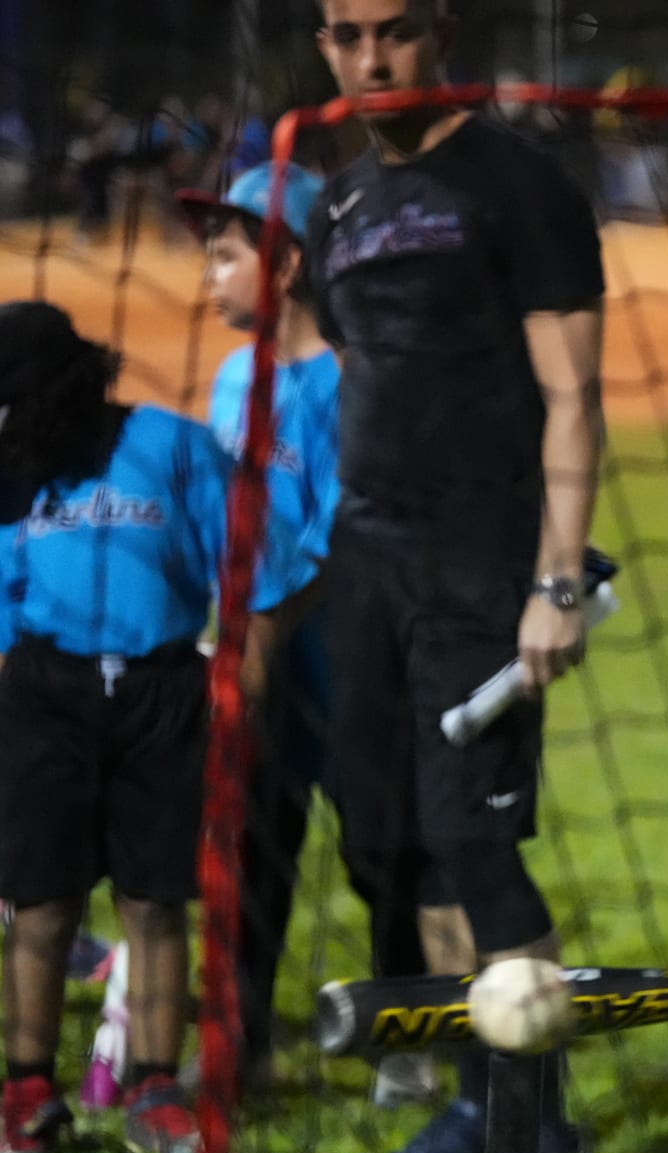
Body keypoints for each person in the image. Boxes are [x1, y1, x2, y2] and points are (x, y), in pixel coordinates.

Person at [306, 0, 605, 1153]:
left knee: (474, 844)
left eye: (393, 29)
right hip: (363, 564)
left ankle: (541, 1143)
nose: (370, 56)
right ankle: (483, 1103)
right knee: (393, 846)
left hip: (481, 571)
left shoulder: (519, 186)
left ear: (440, 35)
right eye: (344, 33)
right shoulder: (337, 203)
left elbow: (573, 399)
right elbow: (362, 376)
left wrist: (556, 581)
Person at [0, 301, 316, 1153]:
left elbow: (255, 570)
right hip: (47, 693)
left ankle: (153, 1087)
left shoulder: (172, 446)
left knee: (155, 901)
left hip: (164, 693)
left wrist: (244, 686)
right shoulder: (15, 466)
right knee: (41, 903)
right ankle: (26, 1092)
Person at [175, 160, 437, 1104]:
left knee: (380, 851)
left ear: (285, 265)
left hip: (344, 659)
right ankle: (240, 1044)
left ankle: (405, 1037)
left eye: (225, 254)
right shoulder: (232, 379)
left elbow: (335, 539)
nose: (208, 275)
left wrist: (263, 636)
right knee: (251, 851)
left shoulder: (349, 383)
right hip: (258, 656)